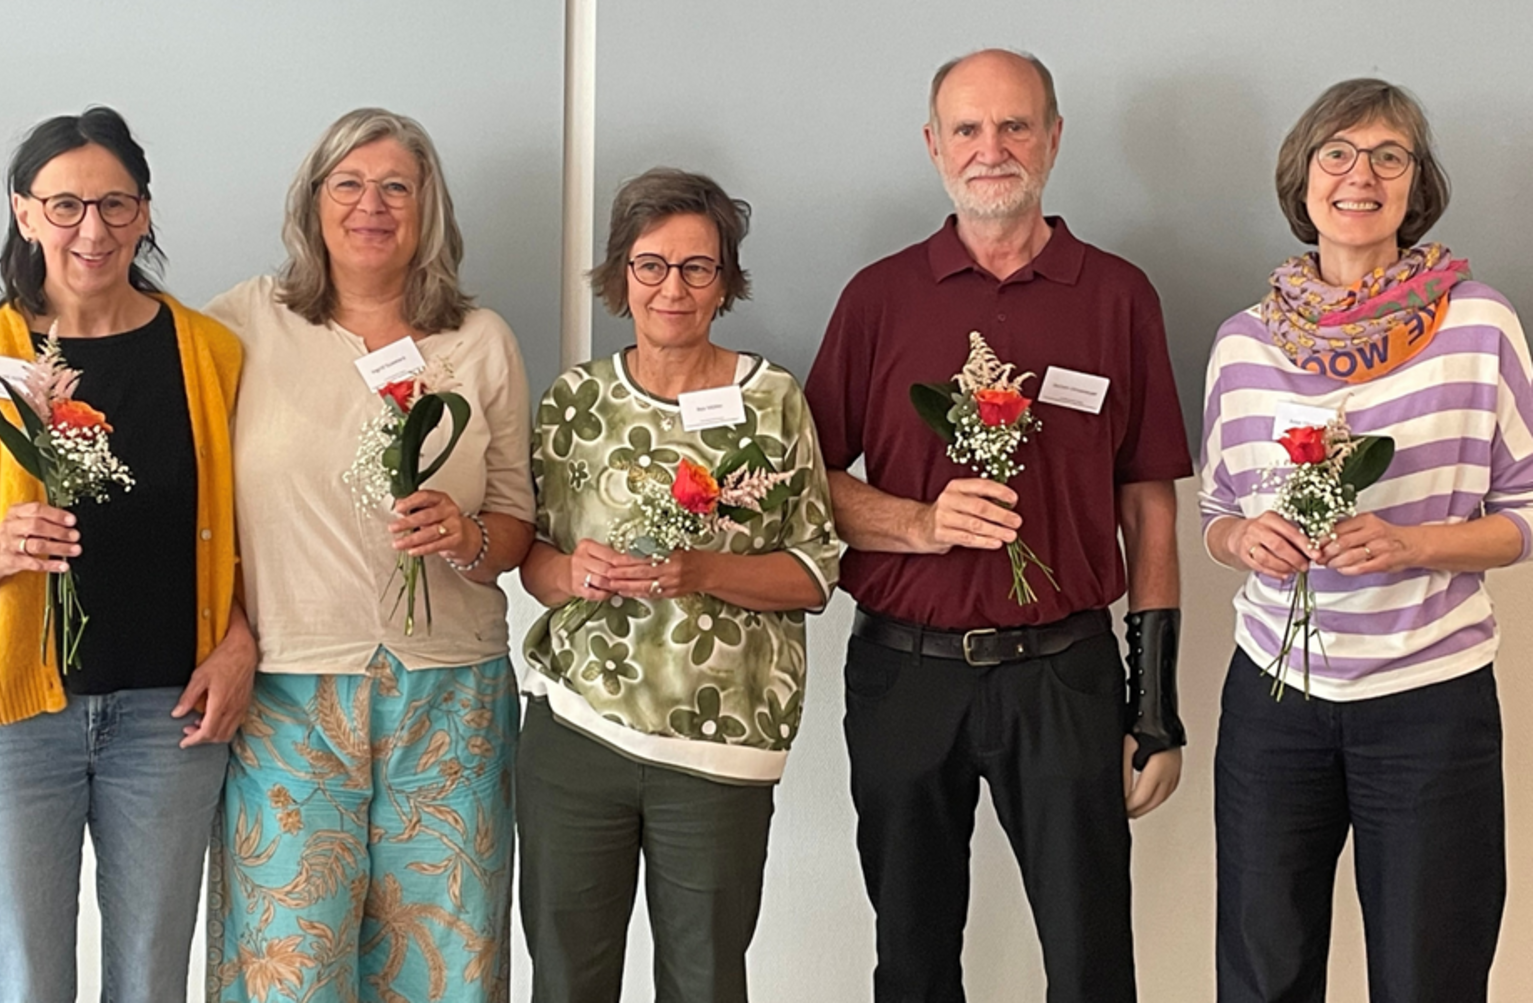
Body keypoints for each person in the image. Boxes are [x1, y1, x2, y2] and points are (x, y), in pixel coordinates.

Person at [804, 49, 1191, 1002]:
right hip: (905, 673)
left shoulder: (1119, 295)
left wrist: (1154, 704)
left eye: (1015, 125)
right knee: (912, 960)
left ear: (1053, 139)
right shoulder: (878, 297)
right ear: (933, 145)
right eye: (968, 129)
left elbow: (1148, 504)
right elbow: (806, 484)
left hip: (1064, 674)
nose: (992, 148)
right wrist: (920, 522)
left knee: (1091, 961)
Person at [1198, 78, 1531, 1003]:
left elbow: (1526, 512)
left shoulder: (1480, 325)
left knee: (1431, 974)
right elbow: (1215, 512)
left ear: (1416, 183)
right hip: (1274, 700)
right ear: (1302, 178)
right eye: (1337, 154)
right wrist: (1244, 539)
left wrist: (1416, 545)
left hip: (1430, 704)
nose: (1361, 176)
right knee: (1263, 973)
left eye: (1390, 156)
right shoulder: (1243, 343)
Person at [197, 109, 535, 1002]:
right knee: (289, 968)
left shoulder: (480, 340)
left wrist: (466, 538)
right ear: (313, 202)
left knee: (445, 969)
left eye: (396, 187)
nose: (370, 205)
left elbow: (515, 524)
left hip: (450, 697)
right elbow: (122, 369)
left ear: (429, 209)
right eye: (347, 183)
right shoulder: (244, 323)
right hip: (287, 696)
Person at [0, 107, 253, 1003]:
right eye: (64, 205)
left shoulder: (212, 355)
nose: (92, 229)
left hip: (169, 718)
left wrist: (240, 639)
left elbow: (255, 533)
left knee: (151, 981)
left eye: (115, 204)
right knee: (27, 980)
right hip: (11, 726)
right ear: (24, 211)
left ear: (144, 212)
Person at [517, 167, 839, 1003]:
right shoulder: (574, 400)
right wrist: (571, 572)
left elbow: (813, 573)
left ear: (725, 281)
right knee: (566, 981)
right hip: (576, 734)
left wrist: (702, 572)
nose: (673, 288)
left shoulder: (773, 399)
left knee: (705, 984)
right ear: (621, 273)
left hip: (717, 751)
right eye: (652, 264)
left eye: (698, 267)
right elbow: (533, 560)